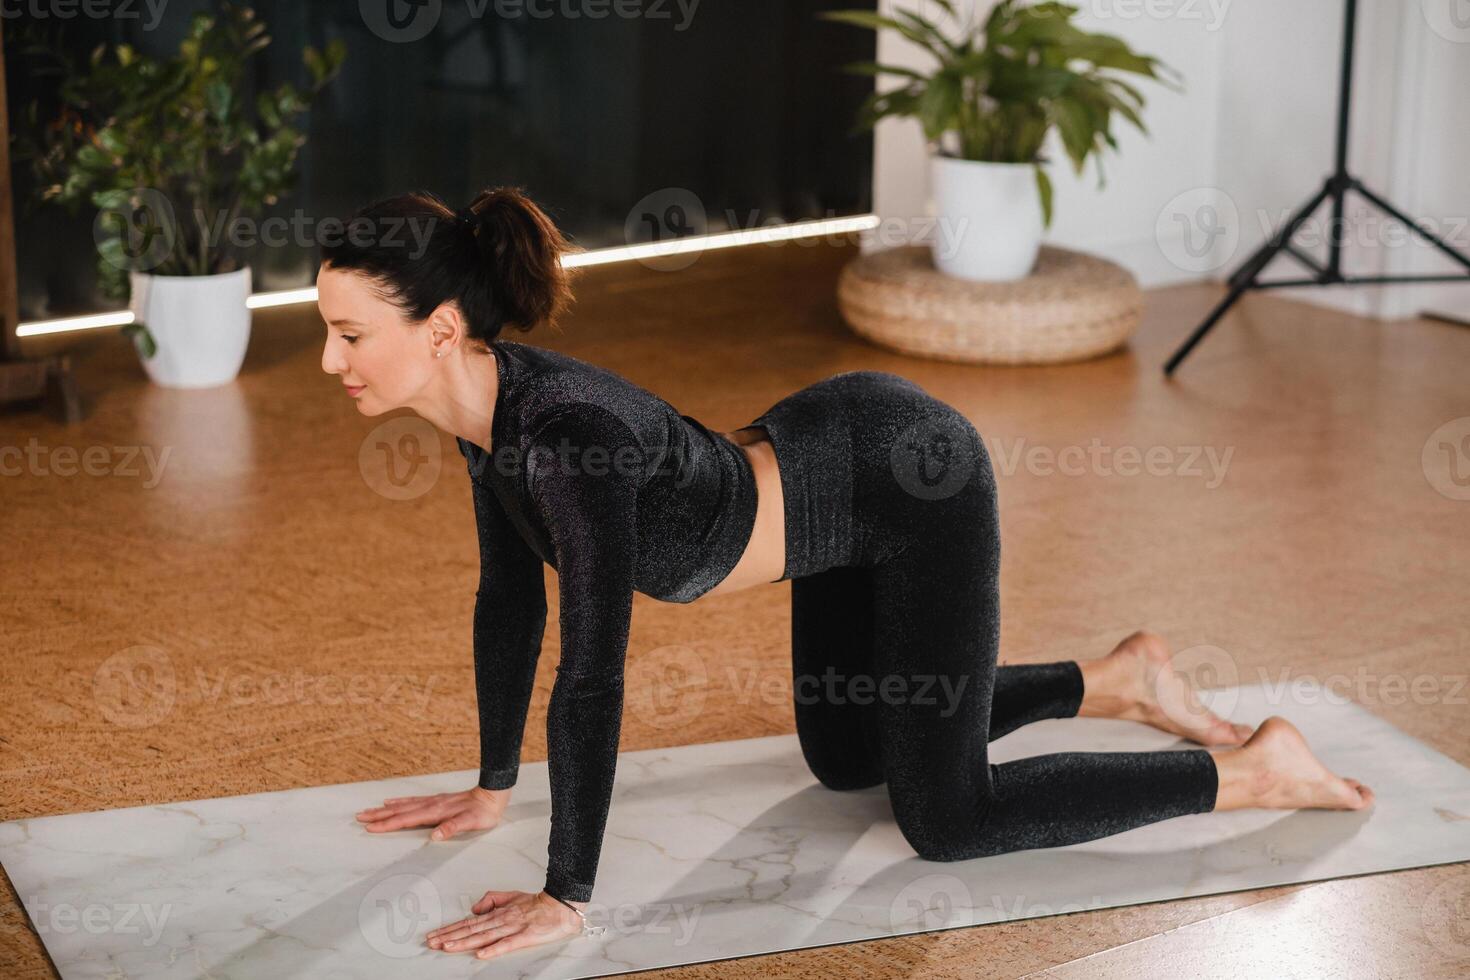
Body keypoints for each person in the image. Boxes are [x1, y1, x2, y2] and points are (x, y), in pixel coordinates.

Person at [318, 187, 1375, 961]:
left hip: (907, 482)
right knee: (846, 755)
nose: (331, 359)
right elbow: (511, 597)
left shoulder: (561, 437)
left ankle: (1250, 770)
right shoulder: (483, 410)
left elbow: (592, 670)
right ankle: (1115, 679)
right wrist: (494, 784)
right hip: (827, 486)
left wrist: (568, 892)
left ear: (442, 328)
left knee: (947, 816)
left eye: (349, 332)